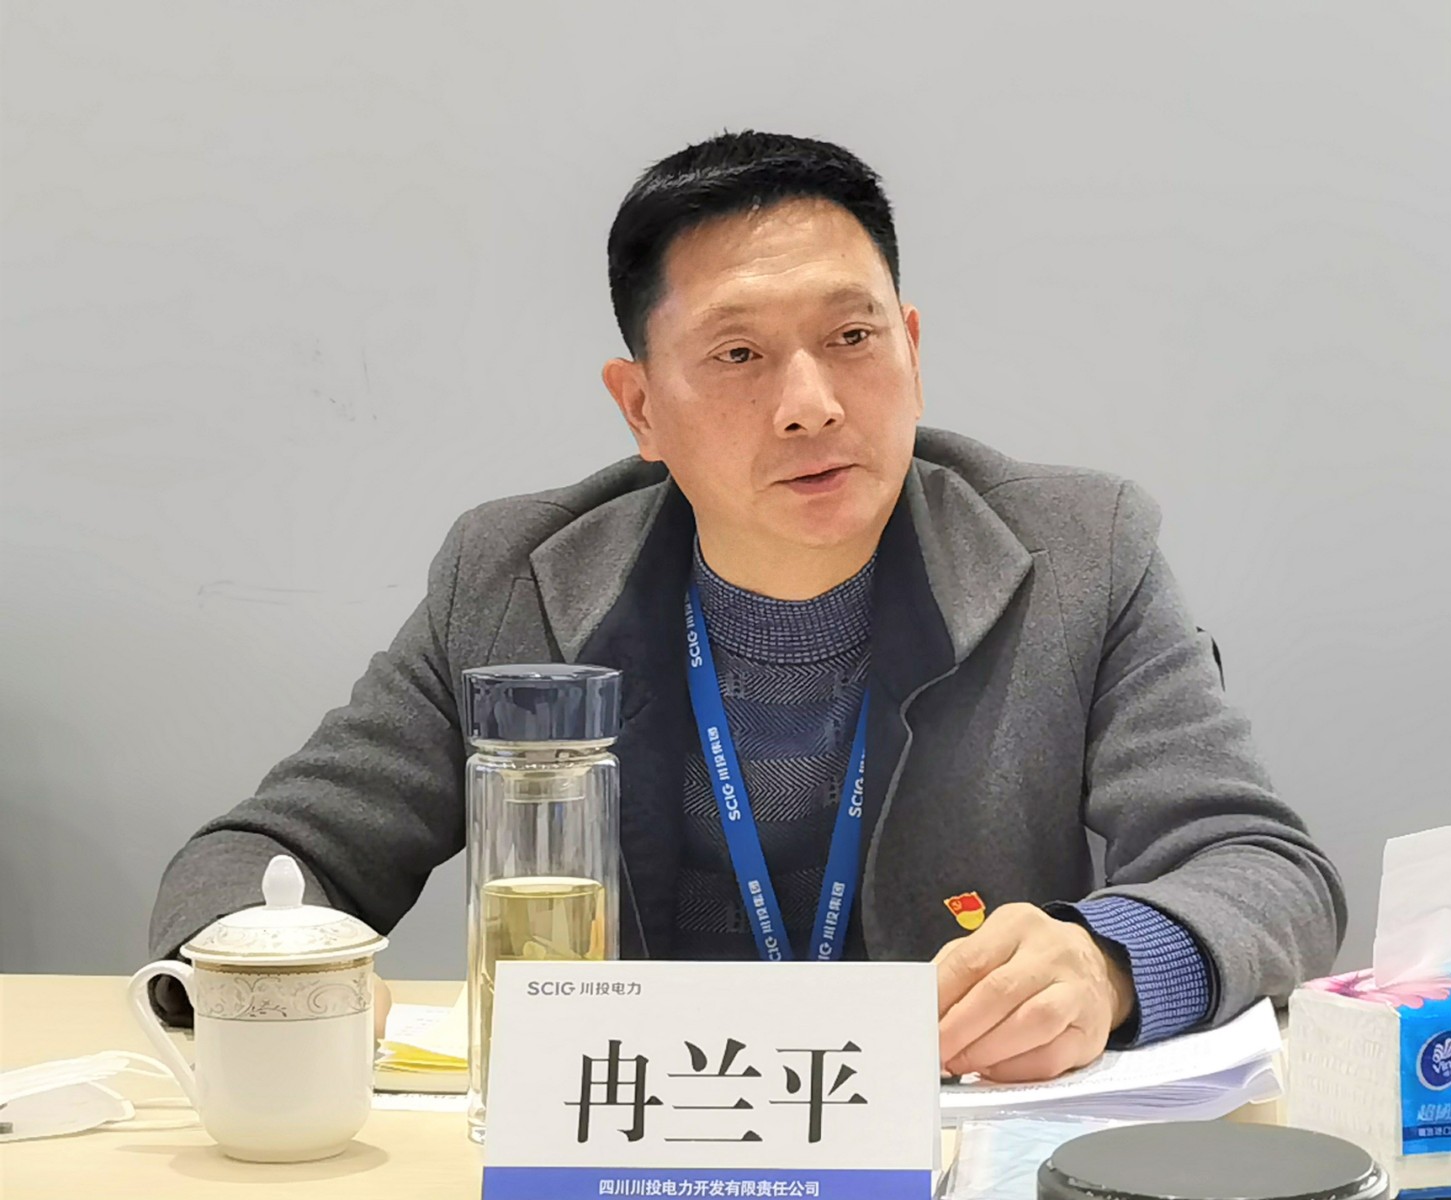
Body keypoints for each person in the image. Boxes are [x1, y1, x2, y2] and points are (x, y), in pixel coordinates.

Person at [149, 130, 1345, 1083]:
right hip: (629, 1151)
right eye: (738, 356)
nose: (811, 402)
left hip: (945, 1141)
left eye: (852, 336)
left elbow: (1261, 866)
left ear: (911, 348)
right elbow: (261, 857)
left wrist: (1110, 964)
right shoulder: (511, 576)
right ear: (640, 408)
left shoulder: (1081, 554)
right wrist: (271, 981)